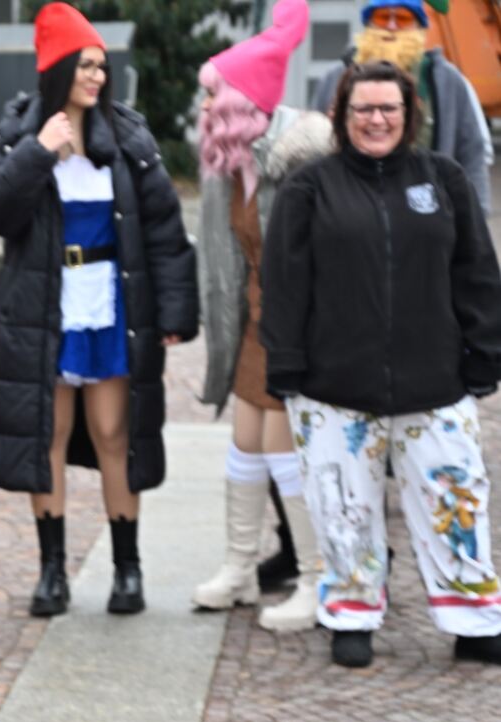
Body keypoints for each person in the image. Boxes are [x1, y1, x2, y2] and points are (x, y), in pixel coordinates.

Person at [261, 60, 501, 668]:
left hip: (437, 384)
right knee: (344, 506)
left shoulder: (443, 180)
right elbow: (286, 285)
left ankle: (472, 619)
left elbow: (476, 273)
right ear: (342, 116)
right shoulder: (309, 188)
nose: (376, 119)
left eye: (388, 108)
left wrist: (485, 352)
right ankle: (352, 611)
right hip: (334, 389)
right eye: (362, 109)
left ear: (409, 114)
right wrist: (285, 366)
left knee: (457, 499)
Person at [0, 2, 197, 617]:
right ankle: (53, 573)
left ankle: (128, 568)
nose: (97, 76)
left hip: (112, 308)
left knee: (115, 434)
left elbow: (164, 230)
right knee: (48, 435)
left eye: (102, 65)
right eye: (85, 64)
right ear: (57, 67)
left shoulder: (126, 135)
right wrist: (37, 152)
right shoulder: (21, 130)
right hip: (45, 310)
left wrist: (175, 311)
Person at [191, 0, 330, 631]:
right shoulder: (230, 167)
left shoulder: (301, 162)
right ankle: (242, 569)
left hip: (296, 329)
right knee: (246, 444)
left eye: (211, 98)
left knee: (282, 449)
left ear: (243, 107)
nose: (201, 112)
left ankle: (318, 577)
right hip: (253, 325)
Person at [310, 0, 493, 214]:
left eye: (403, 18)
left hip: (427, 213)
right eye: (382, 17)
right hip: (351, 212)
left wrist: (476, 214)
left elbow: (471, 151)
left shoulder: (446, 80)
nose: (392, 26)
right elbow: (314, 148)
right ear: (368, 23)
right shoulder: (336, 77)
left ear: (419, 26)